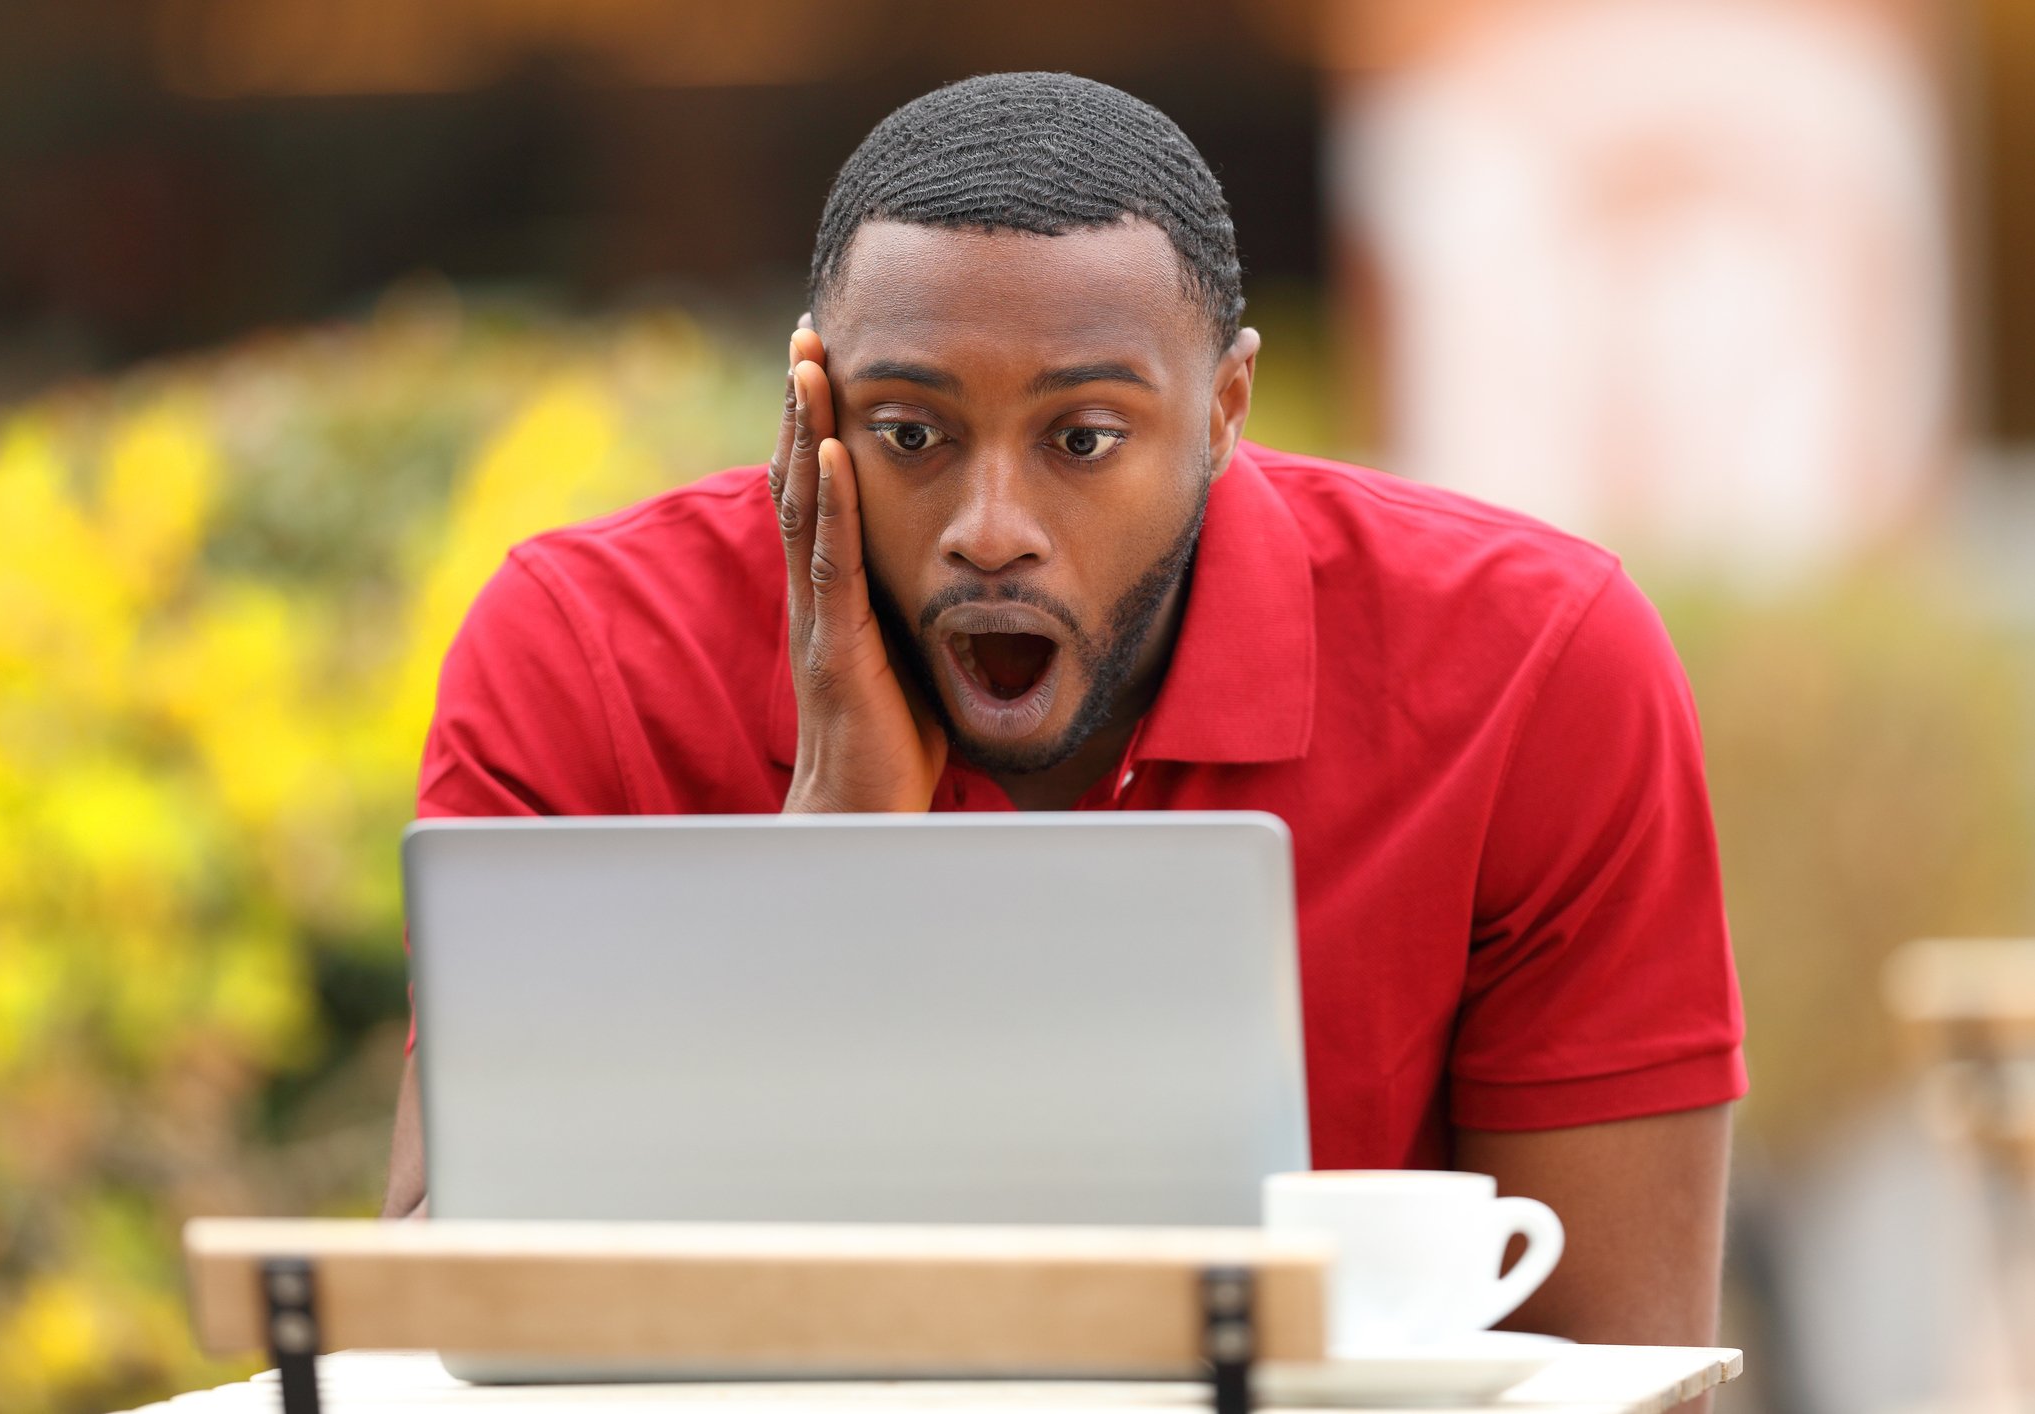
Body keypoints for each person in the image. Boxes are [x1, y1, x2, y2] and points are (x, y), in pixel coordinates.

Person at [383, 72, 1745, 1355]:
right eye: (910, 432)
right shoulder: (586, 653)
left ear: (1223, 408)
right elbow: (426, 1316)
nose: (991, 531)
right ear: (815, 405)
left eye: (1081, 436)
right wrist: (817, 865)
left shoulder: (1528, 665)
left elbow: (1615, 1366)